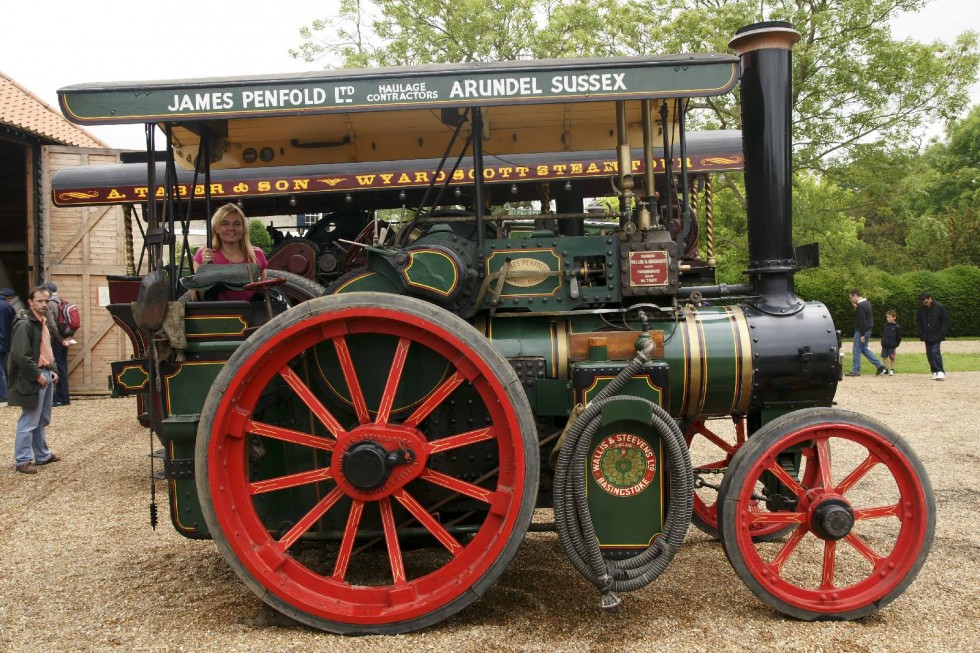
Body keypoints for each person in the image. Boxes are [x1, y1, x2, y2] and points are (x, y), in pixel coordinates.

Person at [9, 286, 61, 474]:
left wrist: (52, 370)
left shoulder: (42, 321)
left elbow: (46, 349)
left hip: (44, 373)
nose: (44, 304)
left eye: (47, 301)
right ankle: (22, 460)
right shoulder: (25, 323)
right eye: (40, 301)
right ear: (30, 302)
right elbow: (21, 355)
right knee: (29, 420)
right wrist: (37, 375)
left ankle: (42, 455)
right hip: (33, 377)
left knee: (42, 419)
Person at [192, 203, 268, 301]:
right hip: (218, 312)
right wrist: (204, 268)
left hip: (252, 311)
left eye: (236, 224)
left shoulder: (257, 255)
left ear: (243, 228)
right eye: (225, 224)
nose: (231, 228)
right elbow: (195, 296)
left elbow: (265, 291)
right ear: (216, 228)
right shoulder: (205, 254)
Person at [846, 289, 886, 377]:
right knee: (864, 349)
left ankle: (856, 370)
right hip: (869, 329)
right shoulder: (867, 303)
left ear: (855, 295)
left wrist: (862, 334)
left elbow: (862, 321)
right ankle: (879, 365)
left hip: (862, 330)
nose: (851, 299)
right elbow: (866, 316)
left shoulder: (860, 305)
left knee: (856, 350)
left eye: (851, 297)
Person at [43, 282, 71, 406]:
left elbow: (52, 325)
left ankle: (61, 398)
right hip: (65, 338)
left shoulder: (50, 305)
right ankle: (63, 397)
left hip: (57, 340)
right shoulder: (61, 301)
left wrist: (59, 339)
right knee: (63, 367)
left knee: (59, 368)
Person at [916, 291, 950, 381]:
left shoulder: (939, 307)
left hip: (937, 335)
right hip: (926, 335)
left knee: (935, 352)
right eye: (923, 303)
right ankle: (934, 371)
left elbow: (945, 320)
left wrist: (942, 333)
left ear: (930, 298)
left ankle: (940, 371)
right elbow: (918, 321)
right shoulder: (921, 309)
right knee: (929, 354)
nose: (925, 304)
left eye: (926, 302)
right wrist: (920, 333)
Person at [0, 287, 17, 405]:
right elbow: (14, 323)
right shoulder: (8, 306)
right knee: (2, 368)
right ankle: (5, 395)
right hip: (4, 341)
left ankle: (4, 396)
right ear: (9, 298)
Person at [880, 309, 902, 375]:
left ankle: (892, 369)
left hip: (892, 346)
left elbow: (899, 338)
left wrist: (896, 345)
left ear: (894, 317)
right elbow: (883, 334)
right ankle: (885, 369)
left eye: (889, 317)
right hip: (885, 344)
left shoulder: (897, 327)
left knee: (892, 357)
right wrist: (883, 342)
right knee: (884, 357)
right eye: (887, 317)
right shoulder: (885, 326)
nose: (888, 319)